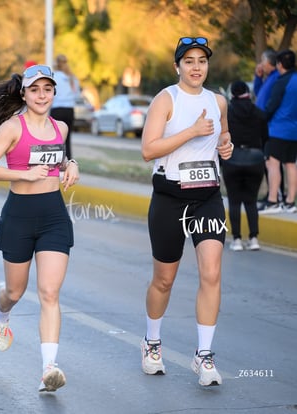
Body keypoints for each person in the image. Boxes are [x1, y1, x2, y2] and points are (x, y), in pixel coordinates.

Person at [0, 64, 79, 392]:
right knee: (15, 292)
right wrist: (24, 174)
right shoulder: (12, 127)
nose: (41, 95)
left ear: (53, 93)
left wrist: (71, 165)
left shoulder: (60, 128)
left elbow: (59, 160)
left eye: (47, 89)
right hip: (19, 216)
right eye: (35, 89)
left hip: (53, 216)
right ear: (24, 93)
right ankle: (2, 316)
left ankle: (48, 368)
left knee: (49, 292)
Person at [140, 37, 234, 387]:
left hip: (207, 196)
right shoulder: (166, 100)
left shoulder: (218, 101)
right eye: (189, 61)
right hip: (170, 195)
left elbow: (224, 138)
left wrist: (226, 146)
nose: (197, 67)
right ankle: (151, 342)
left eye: (202, 61)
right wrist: (190, 131)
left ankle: (204, 355)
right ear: (177, 66)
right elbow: (148, 150)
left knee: (211, 273)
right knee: (164, 278)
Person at [221, 81, 267, 251]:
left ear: (232, 94)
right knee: (251, 201)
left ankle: (237, 240)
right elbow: (265, 138)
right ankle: (254, 238)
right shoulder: (259, 113)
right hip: (255, 159)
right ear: (248, 92)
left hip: (232, 159)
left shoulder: (228, 113)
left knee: (234, 201)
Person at [259, 49, 297, 214]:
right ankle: (290, 202)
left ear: (279, 64)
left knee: (272, 164)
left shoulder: (281, 82)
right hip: (293, 130)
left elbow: (271, 106)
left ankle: (273, 200)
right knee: (291, 164)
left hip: (277, 130)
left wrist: (260, 121)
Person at [253, 49, 285, 205]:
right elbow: (259, 93)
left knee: (273, 162)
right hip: (262, 125)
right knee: (267, 162)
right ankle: (272, 193)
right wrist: (258, 77)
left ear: (269, 63)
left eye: (262, 62)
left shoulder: (277, 77)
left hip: (271, 124)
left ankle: (277, 195)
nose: (260, 64)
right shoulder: (268, 78)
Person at [50, 54, 80, 159]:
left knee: (55, 138)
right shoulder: (72, 78)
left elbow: (50, 94)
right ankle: (69, 161)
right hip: (69, 110)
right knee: (67, 138)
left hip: (57, 109)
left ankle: (56, 161)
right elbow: (77, 95)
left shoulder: (53, 77)